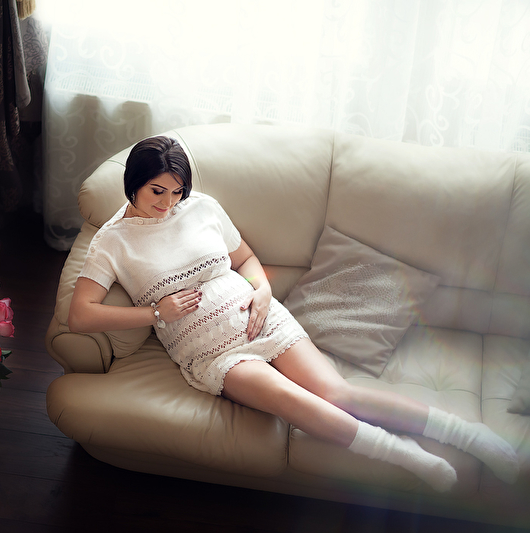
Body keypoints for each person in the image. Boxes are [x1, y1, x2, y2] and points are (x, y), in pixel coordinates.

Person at [68, 135, 519, 492]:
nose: (169, 202)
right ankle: (407, 457)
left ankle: (468, 435)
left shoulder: (201, 207)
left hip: (261, 318)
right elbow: (81, 316)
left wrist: (263, 290)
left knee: (337, 393)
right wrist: (155, 312)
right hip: (213, 352)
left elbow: (245, 258)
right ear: (134, 182)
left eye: (177, 191)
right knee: (293, 401)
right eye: (157, 191)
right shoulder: (113, 241)